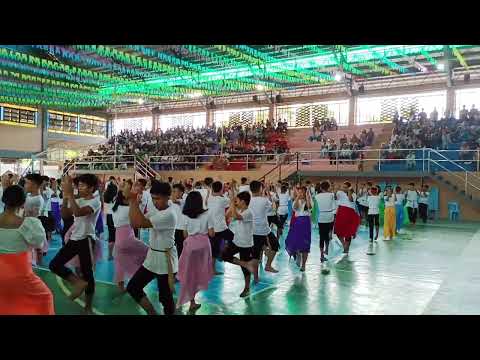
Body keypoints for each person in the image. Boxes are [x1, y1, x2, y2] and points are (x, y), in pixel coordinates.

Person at [49, 174, 101, 315]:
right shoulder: (78, 199)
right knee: (54, 264)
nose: (79, 187)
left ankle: (88, 307)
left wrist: (70, 194)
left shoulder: (95, 201)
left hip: (87, 240)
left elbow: (78, 213)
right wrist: (66, 197)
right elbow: (65, 215)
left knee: (88, 274)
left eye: (83, 185)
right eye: (78, 185)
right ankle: (78, 283)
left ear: (91, 188)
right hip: (75, 239)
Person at [125, 180, 178, 315]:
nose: (155, 202)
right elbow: (134, 222)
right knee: (133, 287)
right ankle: (152, 313)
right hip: (152, 256)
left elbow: (139, 222)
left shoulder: (169, 214)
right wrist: (133, 201)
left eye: (158, 199)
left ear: (167, 197)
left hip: (165, 261)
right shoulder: (160, 208)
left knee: (165, 299)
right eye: (153, 198)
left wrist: (132, 200)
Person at [0, 185, 54, 315]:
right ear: (23, 203)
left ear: (3, 200)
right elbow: (39, 244)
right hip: (21, 276)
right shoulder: (29, 223)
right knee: (46, 297)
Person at [177, 191, 215, 314]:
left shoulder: (184, 215)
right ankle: (193, 299)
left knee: (189, 273)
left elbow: (185, 234)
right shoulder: (208, 214)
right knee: (201, 271)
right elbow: (211, 234)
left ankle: (192, 302)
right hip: (204, 246)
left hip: (191, 246)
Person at [111, 181, 148, 292]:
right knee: (150, 252)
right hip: (128, 238)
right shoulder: (129, 209)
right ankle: (139, 278)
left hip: (118, 240)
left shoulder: (115, 206)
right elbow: (139, 219)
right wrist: (137, 203)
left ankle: (121, 286)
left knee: (120, 262)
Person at [223, 190, 256, 297]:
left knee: (245, 271)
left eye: (238, 200)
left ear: (243, 201)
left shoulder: (248, 212)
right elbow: (227, 215)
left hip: (246, 244)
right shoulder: (239, 209)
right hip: (236, 241)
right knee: (225, 255)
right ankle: (246, 264)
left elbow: (236, 217)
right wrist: (232, 204)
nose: (237, 202)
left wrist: (232, 204)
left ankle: (247, 288)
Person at [249, 180, 278, 280]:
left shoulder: (248, 200)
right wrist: (272, 201)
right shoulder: (264, 200)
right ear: (260, 189)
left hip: (253, 230)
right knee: (275, 245)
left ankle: (256, 277)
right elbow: (272, 209)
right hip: (264, 230)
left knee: (255, 255)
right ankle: (268, 265)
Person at [208, 181, 233, 275]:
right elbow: (231, 203)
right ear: (221, 189)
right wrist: (231, 193)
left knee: (214, 249)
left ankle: (213, 268)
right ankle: (223, 253)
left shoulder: (210, 198)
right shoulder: (222, 200)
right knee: (234, 239)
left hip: (211, 228)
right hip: (221, 228)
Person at [285, 186, 312, 272]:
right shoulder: (296, 200)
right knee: (293, 240)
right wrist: (297, 198)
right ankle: (297, 254)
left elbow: (309, 207)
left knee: (305, 244)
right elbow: (295, 208)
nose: (300, 193)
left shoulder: (309, 199)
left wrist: (307, 197)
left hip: (306, 222)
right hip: (297, 221)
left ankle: (303, 265)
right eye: (299, 192)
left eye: (302, 192)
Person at [24, 173, 46, 264]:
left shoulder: (37, 199)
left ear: (35, 185)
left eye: (27, 183)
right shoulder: (29, 196)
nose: (25, 185)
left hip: (32, 228)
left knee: (36, 251)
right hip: (27, 225)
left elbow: (32, 216)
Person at [333, 181, 360, 254]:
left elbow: (350, 200)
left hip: (349, 214)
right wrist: (335, 190)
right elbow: (335, 198)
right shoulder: (340, 193)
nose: (343, 188)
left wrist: (349, 192)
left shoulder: (353, 194)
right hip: (341, 212)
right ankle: (344, 245)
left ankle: (346, 249)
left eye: (345, 187)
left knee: (348, 233)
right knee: (338, 232)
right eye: (343, 187)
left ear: (349, 187)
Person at [314, 181, 335, 264]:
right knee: (328, 235)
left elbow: (315, 208)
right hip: (329, 216)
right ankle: (326, 249)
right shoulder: (331, 195)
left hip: (321, 217)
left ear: (321, 188)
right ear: (328, 187)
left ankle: (321, 255)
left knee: (322, 237)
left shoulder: (316, 196)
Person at [170, 183, 186, 258]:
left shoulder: (183, 201)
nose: (172, 193)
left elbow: (174, 200)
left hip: (180, 229)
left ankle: (180, 266)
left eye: (174, 191)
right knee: (171, 248)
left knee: (180, 249)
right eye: (172, 191)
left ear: (181, 193)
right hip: (172, 228)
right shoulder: (171, 201)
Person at [104, 182, 118, 260]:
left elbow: (106, 210)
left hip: (109, 217)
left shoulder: (106, 197)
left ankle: (109, 254)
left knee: (111, 236)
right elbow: (116, 209)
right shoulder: (115, 198)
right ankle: (115, 253)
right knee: (116, 236)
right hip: (115, 217)